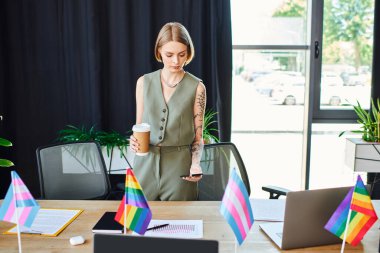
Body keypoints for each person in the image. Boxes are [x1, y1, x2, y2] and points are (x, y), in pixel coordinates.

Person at [129, 22, 206, 201]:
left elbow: (198, 137)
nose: (176, 61)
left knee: (179, 225)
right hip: (144, 166)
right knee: (137, 224)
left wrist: (195, 165)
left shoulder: (197, 87)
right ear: (159, 52)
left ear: (188, 52)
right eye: (169, 55)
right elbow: (139, 127)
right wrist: (132, 141)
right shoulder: (143, 82)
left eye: (181, 54)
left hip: (180, 169)